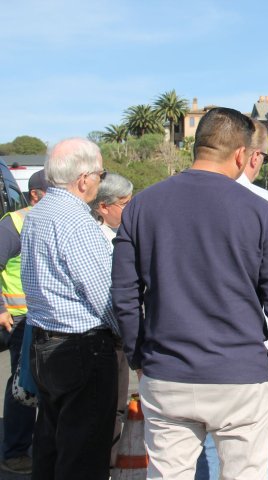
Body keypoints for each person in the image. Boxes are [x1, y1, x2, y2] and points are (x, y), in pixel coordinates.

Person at [111, 107, 268, 479]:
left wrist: (138, 357)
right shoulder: (262, 212)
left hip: (167, 373)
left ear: (197, 147)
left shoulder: (141, 208)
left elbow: (124, 296)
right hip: (241, 377)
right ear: (240, 155)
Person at [195, 121, 268, 480]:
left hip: (182, 355)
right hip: (251, 355)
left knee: (201, 456)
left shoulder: (166, 199)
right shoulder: (266, 205)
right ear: (251, 156)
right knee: (255, 456)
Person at [20, 138, 118, 479]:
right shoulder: (76, 221)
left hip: (44, 342)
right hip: (81, 347)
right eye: (101, 174)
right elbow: (106, 298)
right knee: (84, 454)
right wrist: (131, 337)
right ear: (84, 178)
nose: (100, 182)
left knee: (51, 442)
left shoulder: (39, 212)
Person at [0, 169, 48, 475]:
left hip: (46, 317)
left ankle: (42, 445)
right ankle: (15, 451)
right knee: (22, 383)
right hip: (18, 319)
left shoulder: (51, 220)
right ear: (35, 195)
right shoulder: (14, 223)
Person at [88, 172, 133, 469]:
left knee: (118, 406)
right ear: (104, 207)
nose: (131, 209)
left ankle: (111, 464)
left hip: (122, 334)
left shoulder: (127, 235)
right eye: (125, 204)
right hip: (100, 335)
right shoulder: (92, 238)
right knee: (95, 408)